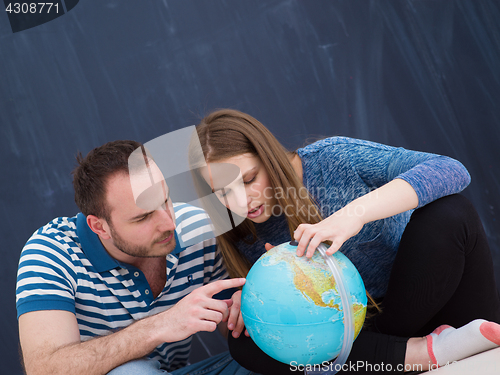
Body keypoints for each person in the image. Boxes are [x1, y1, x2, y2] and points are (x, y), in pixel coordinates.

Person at [192, 109, 500, 374]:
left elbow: (449, 169)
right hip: (365, 343)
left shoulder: (332, 158)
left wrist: (354, 215)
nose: (242, 200)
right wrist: (250, 301)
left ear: (268, 155)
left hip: (431, 304)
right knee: (244, 342)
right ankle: (415, 354)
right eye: (222, 192)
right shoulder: (237, 231)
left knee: (451, 212)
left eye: (248, 179)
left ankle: (401, 353)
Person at [15, 140, 255, 375]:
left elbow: (231, 324)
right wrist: (162, 324)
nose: (169, 223)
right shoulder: (51, 253)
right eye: (143, 217)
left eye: (166, 200)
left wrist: (247, 310)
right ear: (99, 227)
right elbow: (44, 369)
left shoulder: (196, 229)